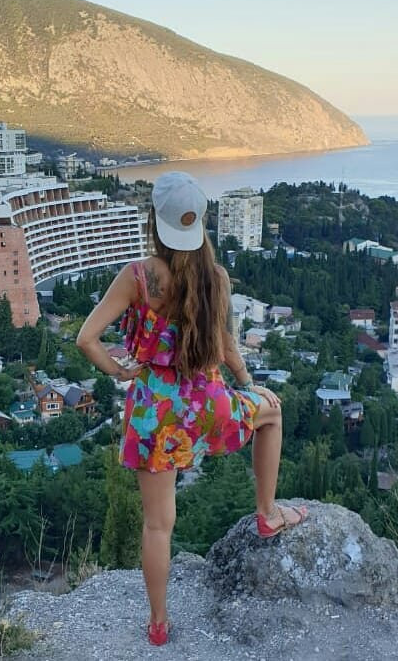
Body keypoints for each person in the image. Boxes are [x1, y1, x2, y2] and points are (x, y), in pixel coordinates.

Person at [76, 171, 307, 646]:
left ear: (155, 222)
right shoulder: (215, 277)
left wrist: (120, 371)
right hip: (207, 404)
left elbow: (86, 339)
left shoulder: (137, 277)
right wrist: (251, 385)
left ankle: (158, 625)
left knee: (158, 525)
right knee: (271, 415)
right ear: (198, 223)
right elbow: (226, 346)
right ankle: (267, 513)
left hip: (154, 413)